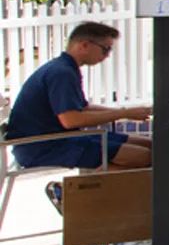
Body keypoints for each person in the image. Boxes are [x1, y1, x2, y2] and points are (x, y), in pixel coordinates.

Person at [4, 21, 152, 213]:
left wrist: (129, 111)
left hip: (57, 139)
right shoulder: (62, 73)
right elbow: (71, 120)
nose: (107, 55)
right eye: (105, 49)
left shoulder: (65, 67)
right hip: (44, 146)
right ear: (84, 45)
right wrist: (124, 114)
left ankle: (77, 193)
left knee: (151, 145)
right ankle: (70, 195)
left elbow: (83, 107)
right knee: (144, 156)